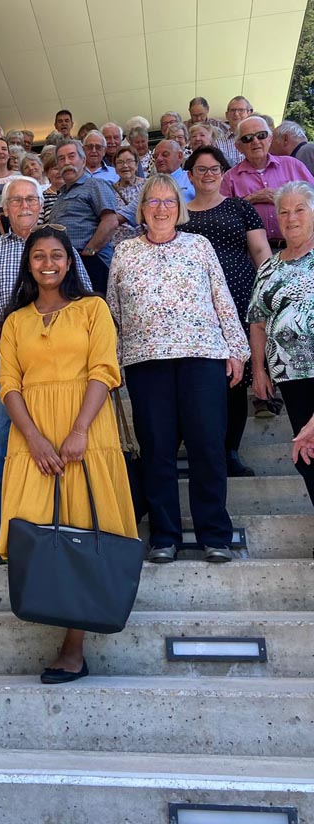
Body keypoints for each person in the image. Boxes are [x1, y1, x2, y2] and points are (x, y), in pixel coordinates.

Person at [0, 226, 138, 683]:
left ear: (69, 260)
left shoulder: (93, 308)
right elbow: (8, 384)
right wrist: (35, 439)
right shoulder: (16, 320)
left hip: (86, 433)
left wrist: (78, 430)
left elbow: (104, 369)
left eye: (57, 254)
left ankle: (74, 647)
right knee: (33, 531)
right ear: (28, 264)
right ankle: (47, 613)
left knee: (82, 528)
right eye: (38, 256)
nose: (48, 263)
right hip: (31, 437)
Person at [107, 175, 250, 564]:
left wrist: (236, 349)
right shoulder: (125, 253)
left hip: (202, 357)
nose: (161, 208)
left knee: (206, 445)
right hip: (145, 362)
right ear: (142, 209)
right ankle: (164, 536)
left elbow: (222, 297)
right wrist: (114, 360)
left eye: (168, 201)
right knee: (156, 449)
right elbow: (113, 311)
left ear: (179, 207)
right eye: (153, 202)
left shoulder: (199, 246)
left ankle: (215, 534)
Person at [0, 178, 92, 567]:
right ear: (4, 208)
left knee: (53, 441)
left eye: (31, 199)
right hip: (2, 357)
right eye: (16, 199)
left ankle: (49, 529)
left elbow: (84, 295)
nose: (24, 205)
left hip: (56, 362)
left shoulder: (59, 247)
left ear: (41, 206)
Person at [181, 147, 271, 475]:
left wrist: (270, 294)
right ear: (189, 175)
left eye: (214, 169)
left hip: (239, 296)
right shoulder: (177, 213)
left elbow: (261, 251)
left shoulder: (240, 207)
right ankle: (203, 451)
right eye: (201, 169)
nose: (208, 174)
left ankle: (230, 451)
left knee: (236, 379)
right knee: (200, 379)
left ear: (223, 173)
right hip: (194, 307)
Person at [248, 183, 314, 506]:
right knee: (307, 455)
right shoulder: (268, 267)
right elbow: (258, 321)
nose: (291, 218)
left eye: (300, 209)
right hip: (290, 375)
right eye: (284, 211)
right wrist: (258, 371)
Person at [221, 116, 314, 246]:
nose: (255, 141)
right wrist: (250, 199)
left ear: (270, 139)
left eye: (261, 135)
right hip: (252, 251)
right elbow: (223, 216)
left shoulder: (292, 165)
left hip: (297, 246)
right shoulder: (230, 177)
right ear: (238, 146)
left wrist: (286, 199)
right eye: (247, 138)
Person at [50, 138, 119, 294]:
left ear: (83, 160)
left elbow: (110, 221)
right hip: (66, 265)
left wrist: (89, 251)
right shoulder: (60, 196)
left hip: (91, 262)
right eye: (61, 158)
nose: (66, 162)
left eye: (71, 156)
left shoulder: (95, 184)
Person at [112, 147, 143, 245]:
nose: (125, 165)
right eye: (120, 162)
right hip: (118, 245)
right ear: (115, 169)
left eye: (129, 161)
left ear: (137, 165)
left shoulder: (148, 186)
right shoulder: (109, 190)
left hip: (144, 243)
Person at [39, 148, 63, 224]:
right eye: (55, 168)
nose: (59, 172)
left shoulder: (75, 193)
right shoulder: (41, 197)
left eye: (61, 168)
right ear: (47, 173)